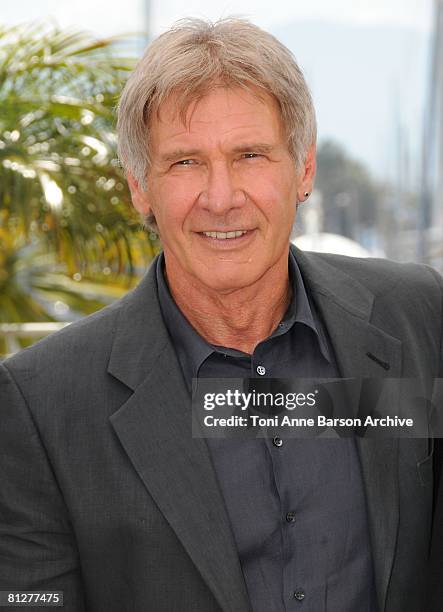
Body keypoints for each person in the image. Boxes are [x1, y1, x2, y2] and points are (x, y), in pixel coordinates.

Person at [0, 17, 442, 612]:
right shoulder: (39, 402)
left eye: (250, 154)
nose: (221, 196)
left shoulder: (419, 319)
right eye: (184, 162)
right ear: (139, 186)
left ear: (304, 169)